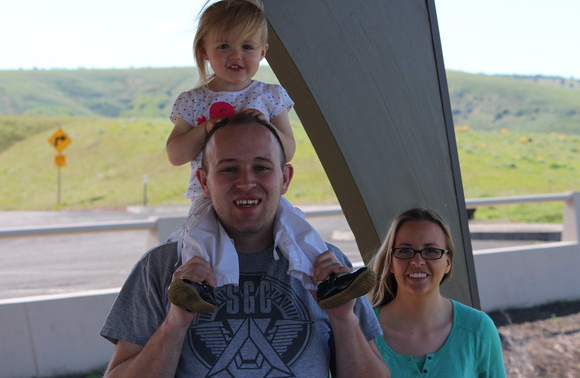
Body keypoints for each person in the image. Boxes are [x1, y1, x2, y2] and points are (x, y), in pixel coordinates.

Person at [101, 113, 388, 377]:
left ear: (285, 178)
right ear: (203, 181)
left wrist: (344, 320)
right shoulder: (161, 268)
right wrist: (175, 322)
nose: (246, 181)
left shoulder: (325, 265)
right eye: (228, 170)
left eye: (262, 167)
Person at [165, 0, 373, 312]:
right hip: (210, 195)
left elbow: (287, 150)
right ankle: (195, 284)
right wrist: (206, 129)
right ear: (204, 50)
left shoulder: (271, 96)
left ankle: (328, 275)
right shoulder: (193, 101)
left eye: (247, 46)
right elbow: (176, 154)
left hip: (264, 194)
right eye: (224, 46)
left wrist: (267, 126)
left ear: (263, 52)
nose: (236, 55)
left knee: (296, 225)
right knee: (199, 234)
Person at [369, 208, 506, 377]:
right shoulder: (362, 333)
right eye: (405, 251)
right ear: (390, 262)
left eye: (431, 251)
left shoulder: (477, 328)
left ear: (447, 263)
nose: (417, 261)